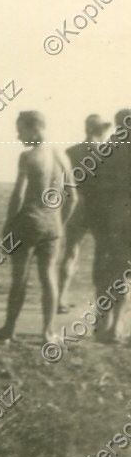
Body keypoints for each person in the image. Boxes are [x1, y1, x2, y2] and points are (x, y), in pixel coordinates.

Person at [0, 111, 76, 345]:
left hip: (28, 222)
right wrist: (60, 224)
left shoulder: (28, 156)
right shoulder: (62, 156)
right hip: (52, 225)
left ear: (35, 128)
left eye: (21, 130)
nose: (18, 136)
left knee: (20, 279)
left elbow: (18, 195)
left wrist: (7, 225)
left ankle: (9, 329)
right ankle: (48, 333)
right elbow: (73, 197)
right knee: (49, 278)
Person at [57, 113, 111, 312]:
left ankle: (60, 298)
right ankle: (101, 303)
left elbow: (64, 183)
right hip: (99, 207)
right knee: (102, 254)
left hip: (77, 204)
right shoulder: (106, 151)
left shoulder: (71, 152)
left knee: (70, 253)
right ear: (100, 130)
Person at [92, 108, 131, 342]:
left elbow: (100, 184)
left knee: (113, 271)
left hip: (116, 213)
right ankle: (117, 326)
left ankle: (108, 325)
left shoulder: (112, 148)